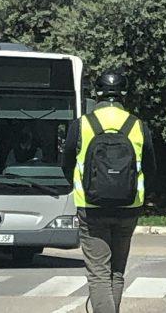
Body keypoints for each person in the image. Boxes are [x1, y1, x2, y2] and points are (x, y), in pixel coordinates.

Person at [62, 71, 157, 313]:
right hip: (128, 207)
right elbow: (150, 168)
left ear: (97, 93)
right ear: (124, 94)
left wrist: (78, 187)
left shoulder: (82, 125)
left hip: (91, 208)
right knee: (117, 271)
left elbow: (66, 164)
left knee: (98, 274)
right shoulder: (138, 126)